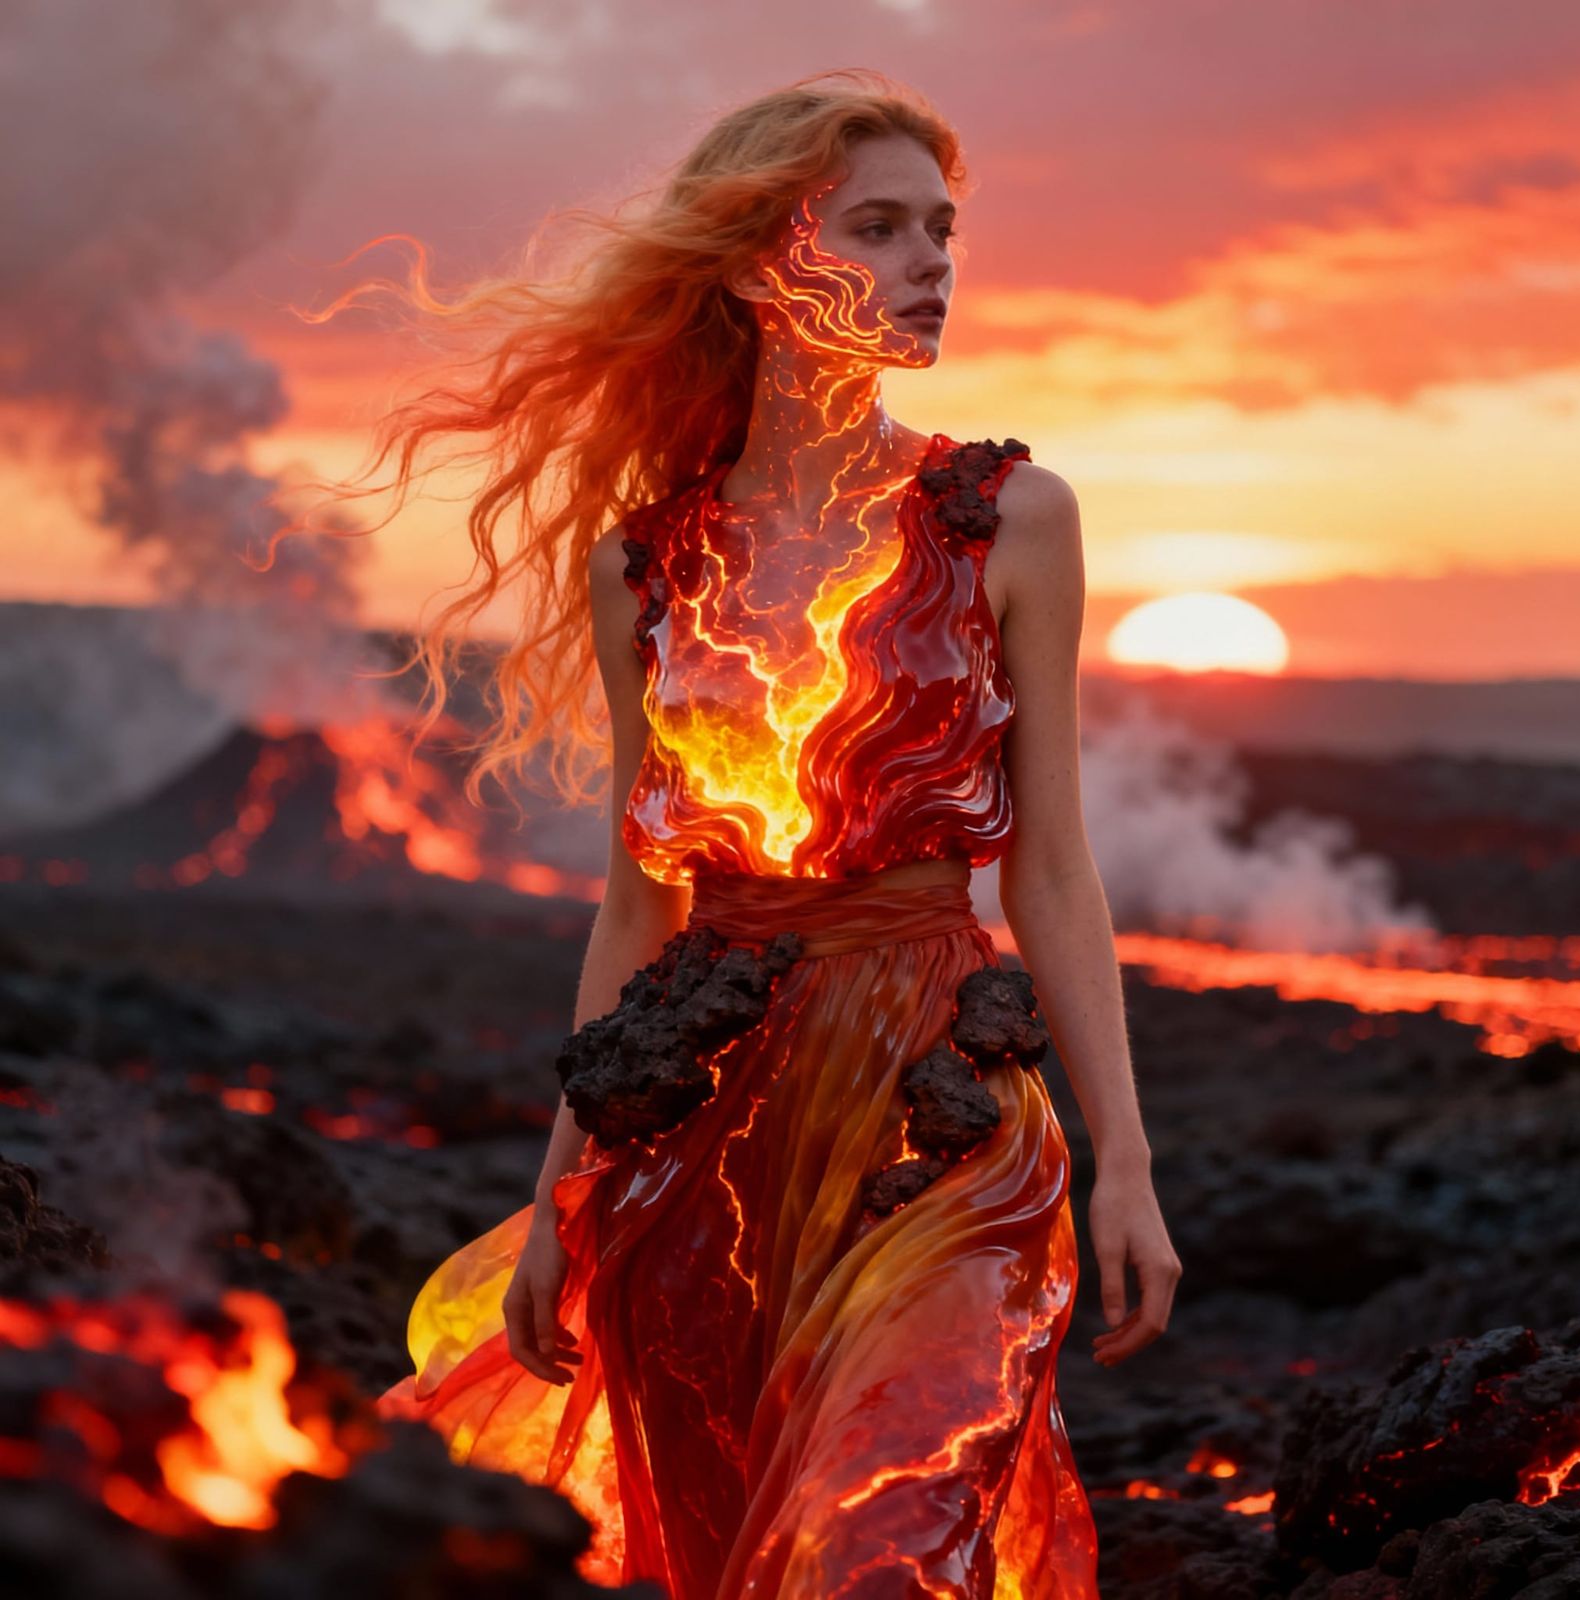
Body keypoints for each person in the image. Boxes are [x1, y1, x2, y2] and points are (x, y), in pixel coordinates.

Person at [354, 67, 1180, 1600]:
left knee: (885, 1540)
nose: (931, 262)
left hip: (941, 1113)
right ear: (756, 263)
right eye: (877, 226)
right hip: (698, 1146)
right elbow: (635, 912)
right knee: (715, 1553)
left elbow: (1053, 867)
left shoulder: (1006, 516)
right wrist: (560, 1203)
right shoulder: (647, 563)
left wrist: (1127, 1159)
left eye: (941, 228)